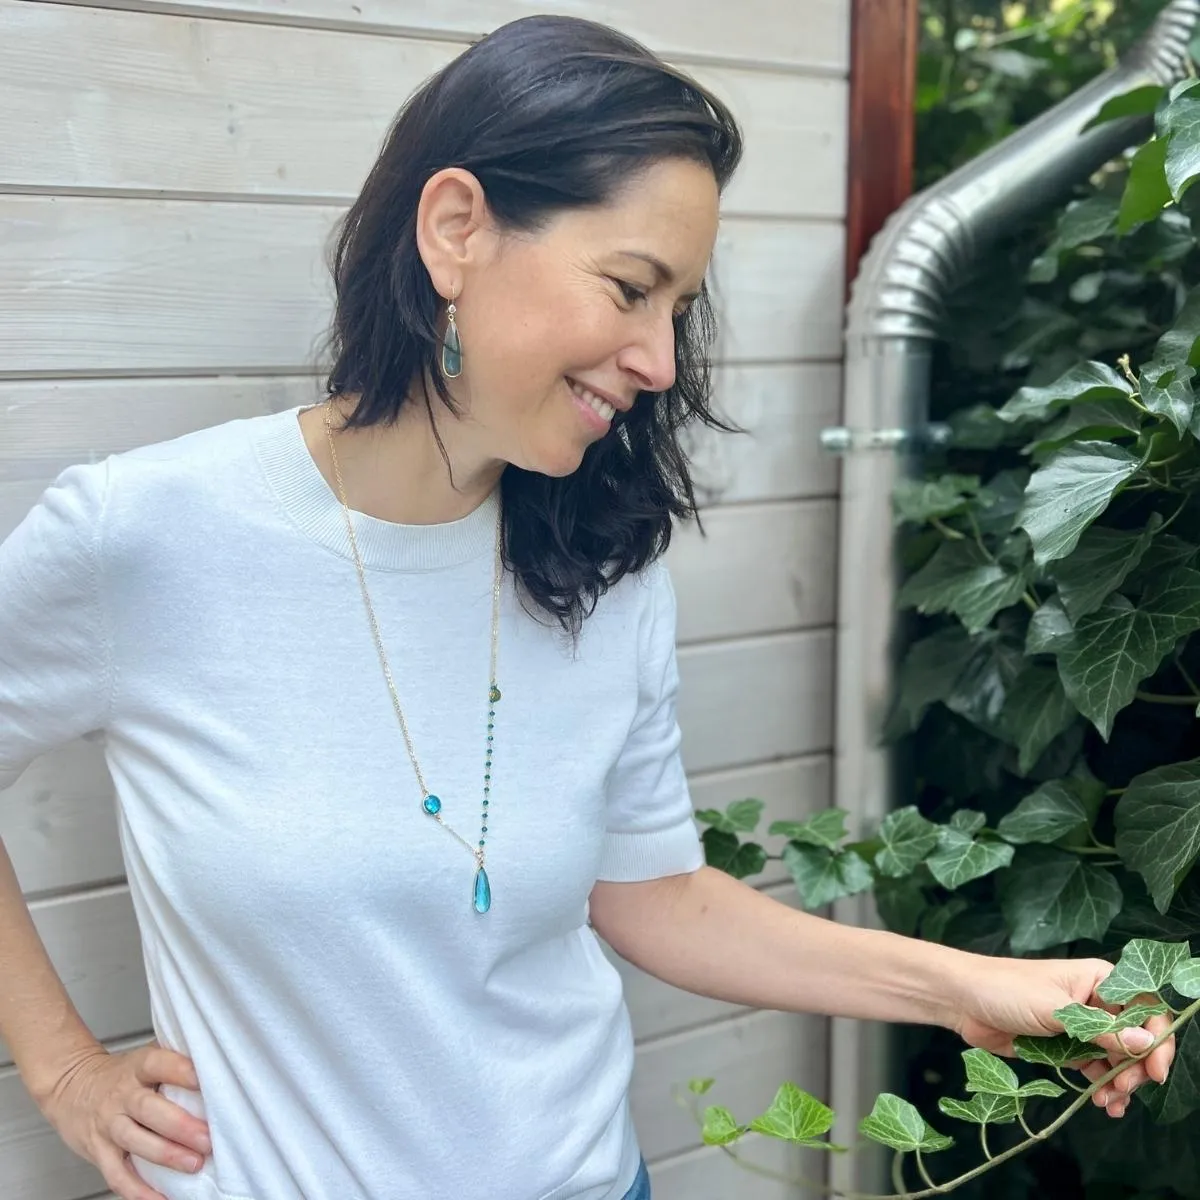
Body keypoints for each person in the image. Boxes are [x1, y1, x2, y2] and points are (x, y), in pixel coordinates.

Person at [0, 14, 1175, 1200]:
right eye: (630, 287)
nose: (662, 361)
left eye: (678, 309)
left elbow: (652, 893)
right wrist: (63, 1075)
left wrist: (964, 988)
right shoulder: (153, 533)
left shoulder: (603, 565)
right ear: (456, 229)